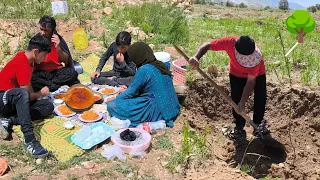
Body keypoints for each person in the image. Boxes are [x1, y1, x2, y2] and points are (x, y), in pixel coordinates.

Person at [189, 36, 268, 141]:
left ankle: (258, 123)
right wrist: (196, 57)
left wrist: (243, 101)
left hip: (258, 74)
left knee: (260, 96)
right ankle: (239, 126)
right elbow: (207, 45)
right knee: (235, 98)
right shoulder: (229, 43)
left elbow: (250, 82)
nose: (246, 63)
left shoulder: (256, 58)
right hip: (236, 74)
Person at [0, 34, 54, 158]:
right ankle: (29, 139)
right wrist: (41, 93)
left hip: (14, 102)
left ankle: (9, 120)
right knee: (22, 93)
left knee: (48, 106)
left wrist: (38, 95)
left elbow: (29, 92)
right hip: (3, 99)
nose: (45, 58)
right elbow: (27, 95)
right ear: (36, 52)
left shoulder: (26, 59)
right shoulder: (22, 63)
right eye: (44, 55)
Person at [107, 42, 180, 127]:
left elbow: (131, 92)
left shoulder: (144, 69)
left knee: (112, 105)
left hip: (157, 111)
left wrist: (116, 98)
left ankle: (152, 122)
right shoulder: (160, 65)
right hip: (172, 107)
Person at [31, 15, 79, 92]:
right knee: (32, 79)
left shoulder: (57, 40)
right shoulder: (36, 39)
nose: (42, 33)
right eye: (41, 29)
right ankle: (54, 86)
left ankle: (50, 85)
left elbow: (66, 61)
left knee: (72, 73)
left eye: (46, 30)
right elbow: (30, 58)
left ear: (52, 30)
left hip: (56, 71)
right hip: (41, 72)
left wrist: (58, 48)